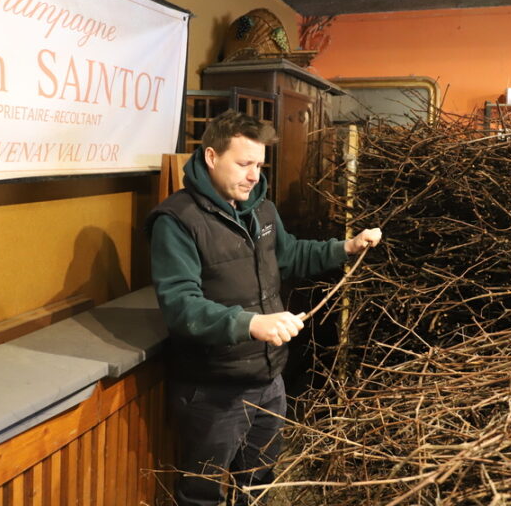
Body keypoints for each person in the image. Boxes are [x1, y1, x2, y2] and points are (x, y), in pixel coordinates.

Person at [147, 110, 381, 506]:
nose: (254, 175)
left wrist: (346, 247)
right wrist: (251, 324)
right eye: (243, 164)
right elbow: (181, 306)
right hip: (212, 385)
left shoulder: (262, 210)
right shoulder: (177, 220)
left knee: (258, 483)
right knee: (201, 492)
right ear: (210, 157)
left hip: (269, 377)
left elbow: (290, 256)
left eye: (258, 164)